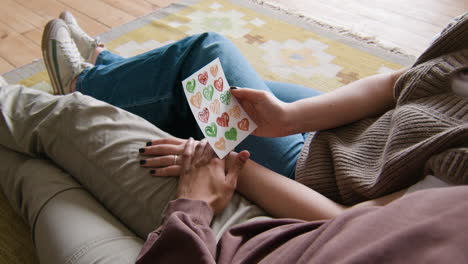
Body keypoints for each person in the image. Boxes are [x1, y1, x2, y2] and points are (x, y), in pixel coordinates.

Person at [0, 10, 466, 263]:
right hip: (365, 136)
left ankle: (92, 80)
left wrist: (234, 167)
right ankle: (121, 74)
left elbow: (348, 221)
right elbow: (398, 83)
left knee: (204, 55)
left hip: (320, 178)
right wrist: (288, 117)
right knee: (214, 87)